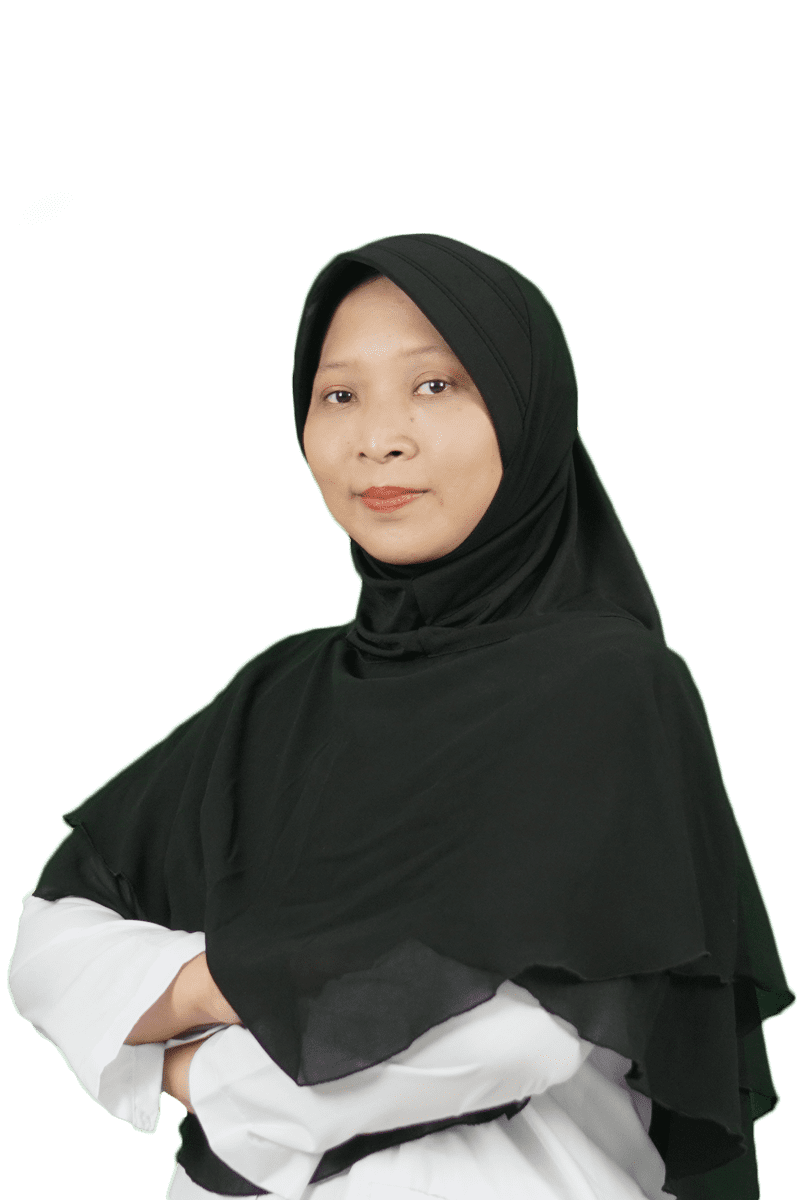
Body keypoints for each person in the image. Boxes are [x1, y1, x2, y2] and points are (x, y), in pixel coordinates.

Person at [8, 233, 793, 1200]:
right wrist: (238, 979)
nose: (378, 438)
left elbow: (509, 1039)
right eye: (339, 394)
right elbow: (48, 945)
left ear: (528, 411)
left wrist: (191, 1065)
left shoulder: (607, 686)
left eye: (436, 385)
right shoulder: (281, 694)